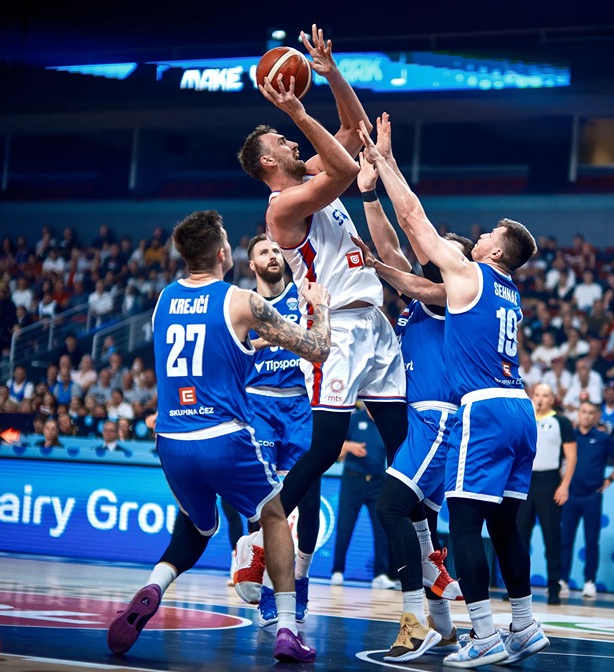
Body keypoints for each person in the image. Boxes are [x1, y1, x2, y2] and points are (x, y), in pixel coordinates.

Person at [234, 27, 409, 631]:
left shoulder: (307, 172)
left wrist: (332, 74)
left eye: (289, 133)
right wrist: (298, 112)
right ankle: (262, 537)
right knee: (327, 448)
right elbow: (343, 169)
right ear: (267, 162)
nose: (290, 139)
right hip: (336, 330)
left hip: (377, 322)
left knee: (404, 448)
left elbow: (356, 134)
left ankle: (426, 575)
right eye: (280, 139)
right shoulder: (283, 208)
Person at [358, 114, 548, 666]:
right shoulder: (504, 291)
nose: (478, 237)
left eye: (486, 237)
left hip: (478, 410)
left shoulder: (470, 275)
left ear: (493, 253)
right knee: (504, 526)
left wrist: (385, 162)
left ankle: (482, 634)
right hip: (519, 409)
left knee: (464, 526)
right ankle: (523, 624)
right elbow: (416, 282)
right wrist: (381, 265)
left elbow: (412, 219)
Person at [106, 209, 331, 663]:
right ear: (224, 253)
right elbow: (318, 348)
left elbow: (216, 346)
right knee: (274, 515)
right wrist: (321, 307)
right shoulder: (241, 301)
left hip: (172, 439)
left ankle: (154, 585)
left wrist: (254, 344)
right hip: (223, 434)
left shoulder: (163, 300)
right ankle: (287, 627)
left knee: (195, 525)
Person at [348, 150, 466, 662]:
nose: (433, 253)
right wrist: (369, 194)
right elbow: (390, 247)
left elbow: (397, 261)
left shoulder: (453, 295)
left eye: (444, 251)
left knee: (391, 508)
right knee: (421, 523)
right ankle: (445, 626)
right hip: (422, 419)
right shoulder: (422, 297)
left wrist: (379, 265)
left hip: (437, 420)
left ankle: (414, 622)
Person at [240, 234, 318, 627]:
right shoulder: (242, 304)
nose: (273, 255)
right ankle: (269, 587)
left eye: (276, 250)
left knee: (309, 499)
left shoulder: (301, 295)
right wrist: (260, 340)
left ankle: (300, 578)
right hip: (258, 405)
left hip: (301, 402)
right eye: (264, 252)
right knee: (262, 503)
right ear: (251, 264)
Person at [560, 401, 614, 602]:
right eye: (583, 412)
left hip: (592, 497)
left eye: (591, 412)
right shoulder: (569, 437)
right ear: (578, 413)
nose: (587, 416)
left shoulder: (603, 438)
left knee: (591, 541)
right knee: (565, 540)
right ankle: (562, 581)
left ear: (597, 416)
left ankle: (589, 582)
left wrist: (610, 480)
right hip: (570, 496)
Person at [518, 383, 575, 605]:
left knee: (552, 537)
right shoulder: (525, 418)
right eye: (538, 395)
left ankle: (554, 589)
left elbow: (571, 456)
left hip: (550, 482)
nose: (541, 399)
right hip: (525, 481)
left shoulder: (562, 422)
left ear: (552, 399)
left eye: (545, 395)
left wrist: (564, 485)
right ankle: (518, 588)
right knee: (520, 536)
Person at [329, 404, 395, 590]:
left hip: (378, 481)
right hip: (353, 480)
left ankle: (380, 574)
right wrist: (349, 446)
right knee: (345, 525)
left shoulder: (387, 422)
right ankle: (337, 571)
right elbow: (334, 446)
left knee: (381, 528)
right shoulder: (354, 419)